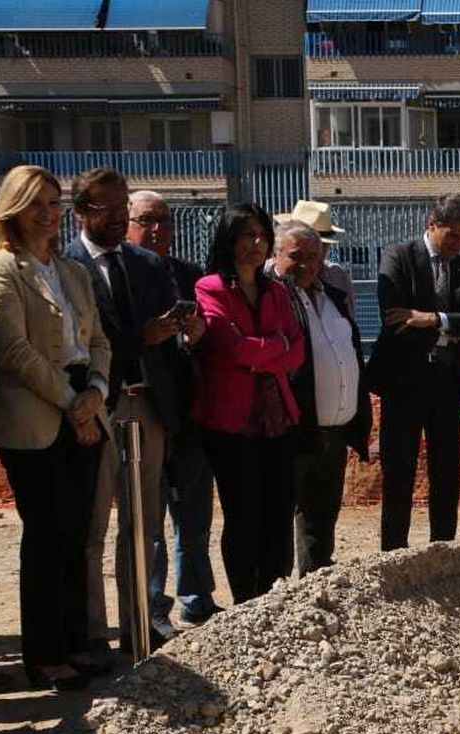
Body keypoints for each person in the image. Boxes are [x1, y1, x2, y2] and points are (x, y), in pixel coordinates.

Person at [65, 168, 202, 655]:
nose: (122, 217)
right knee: (94, 525)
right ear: (81, 212)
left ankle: (137, 628)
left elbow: (169, 333)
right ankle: (92, 633)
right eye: (110, 208)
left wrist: (183, 328)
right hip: (98, 406)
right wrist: (140, 337)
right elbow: (80, 343)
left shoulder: (146, 264)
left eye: (126, 207)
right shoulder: (69, 267)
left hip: (150, 407)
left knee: (143, 527)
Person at [0, 165, 112, 691]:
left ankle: (75, 643)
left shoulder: (72, 272)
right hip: (37, 414)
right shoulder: (3, 270)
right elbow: (14, 351)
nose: (48, 212)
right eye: (36, 202)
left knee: (77, 535)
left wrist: (94, 394)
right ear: (14, 208)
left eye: (53, 201)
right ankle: (43, 654)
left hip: (84, 405)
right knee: (46, 535)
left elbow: (100, 342)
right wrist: (69, 402)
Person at [193, 203, 305, 602]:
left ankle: (273, 600)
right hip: (231, 422)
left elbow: (298, 352)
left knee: (278, 515)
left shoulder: (277, 290)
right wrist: (275, 347)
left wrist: (264, 352)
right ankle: (246, 603)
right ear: (229, 239)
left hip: (277, 419)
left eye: (262, 235)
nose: (256, 243)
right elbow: (231, 348)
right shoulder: (210, 287)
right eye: (246, 235)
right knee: (243, 517)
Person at [368, 194, 460, 551]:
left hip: (448, 384)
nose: (458, 244)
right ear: (431, 224)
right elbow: (396, 319)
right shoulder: (398, 257)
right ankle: (393, 554)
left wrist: (434, 319)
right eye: (452, 235)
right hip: (404, 385)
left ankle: (443, 551)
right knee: (399, 473)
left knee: (446, 474)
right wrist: (454, 326)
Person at [128, 189, 221, 629]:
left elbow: (206, 345)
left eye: (164, 219)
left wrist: (196, 331)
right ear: (129, 224)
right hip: (144, 410)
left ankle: (197, 596)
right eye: (147, 219)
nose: (158, 228)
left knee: (195, 515)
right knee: (151, 522)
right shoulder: (121, 276)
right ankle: (153, 606)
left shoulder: (188, 275)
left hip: (191, 408)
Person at [268, 220, 371, 574]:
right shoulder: (273, 299)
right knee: (280, 516)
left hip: (335, 430)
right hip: (295, 428)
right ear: (276, 255)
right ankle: (279, 596)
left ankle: (315, 586)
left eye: (313, 256)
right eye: (296, 256)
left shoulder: (333, 296)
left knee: (322, 516)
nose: (306, 264)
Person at [272, 199, 356, 320]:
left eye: (320, 248)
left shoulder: (337, 276)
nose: (305, 263)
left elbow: (350, 323)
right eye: (297, 254)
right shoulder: (266, 279)